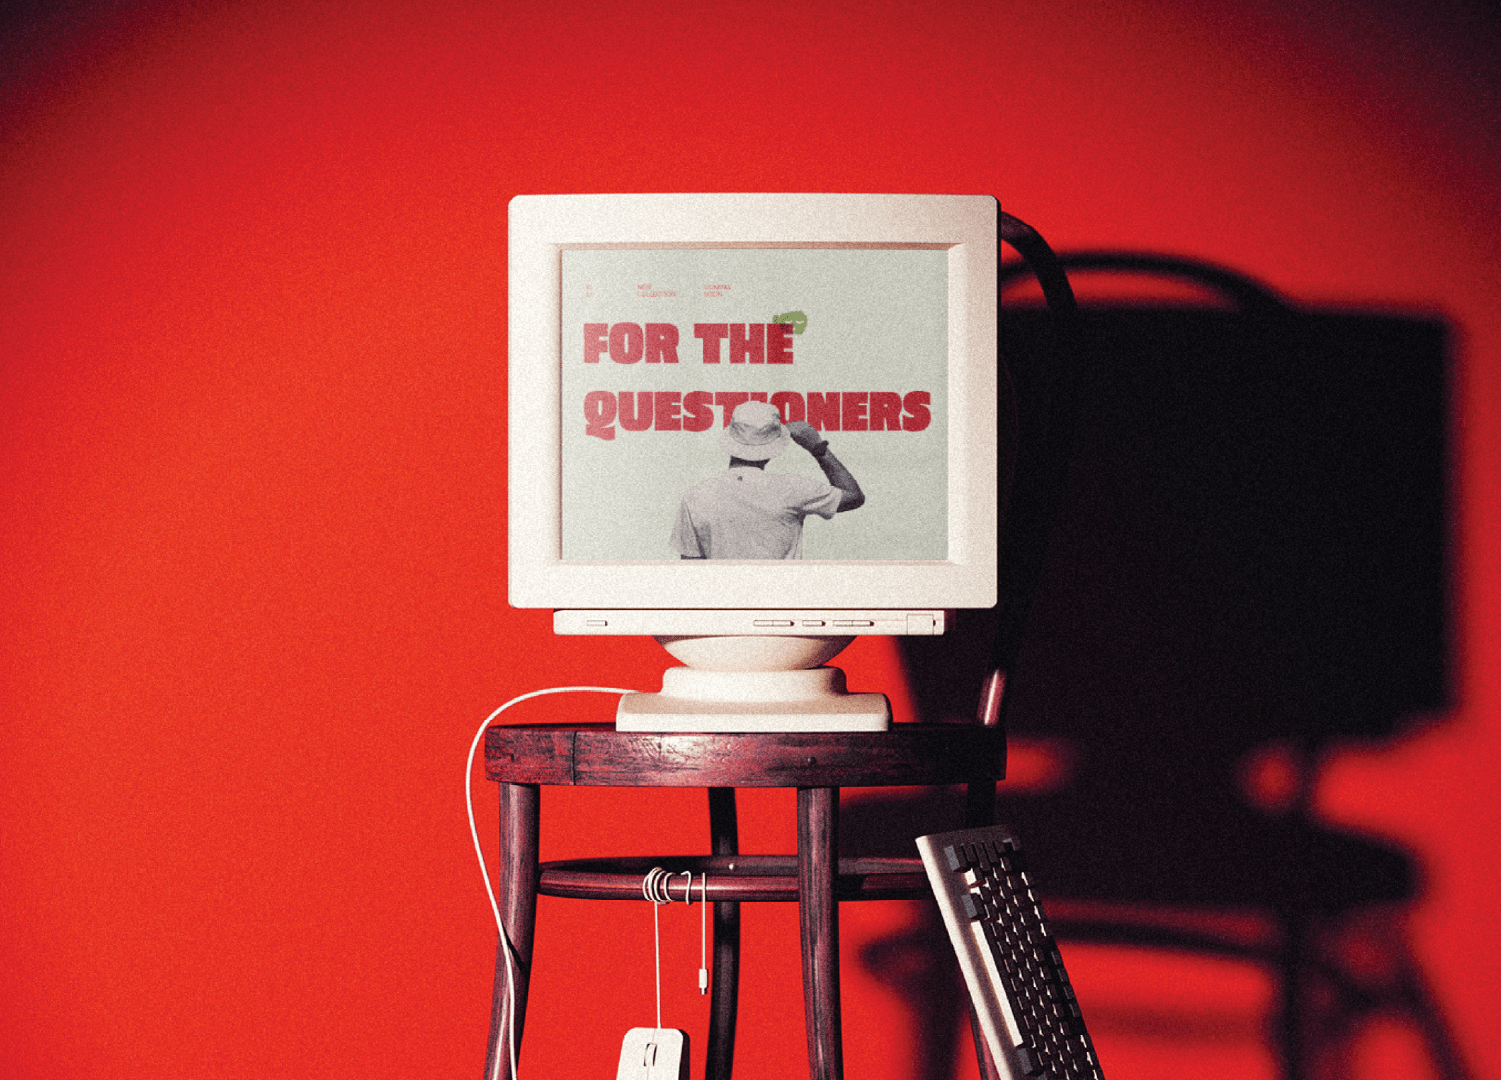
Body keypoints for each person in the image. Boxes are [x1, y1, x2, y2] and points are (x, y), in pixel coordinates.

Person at [670, 399, 864, 559]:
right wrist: (817, 447)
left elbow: (691, 571)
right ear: (772, 449)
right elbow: (854, 496)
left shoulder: (695, 496)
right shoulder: (791, 489)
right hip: (779, 601)